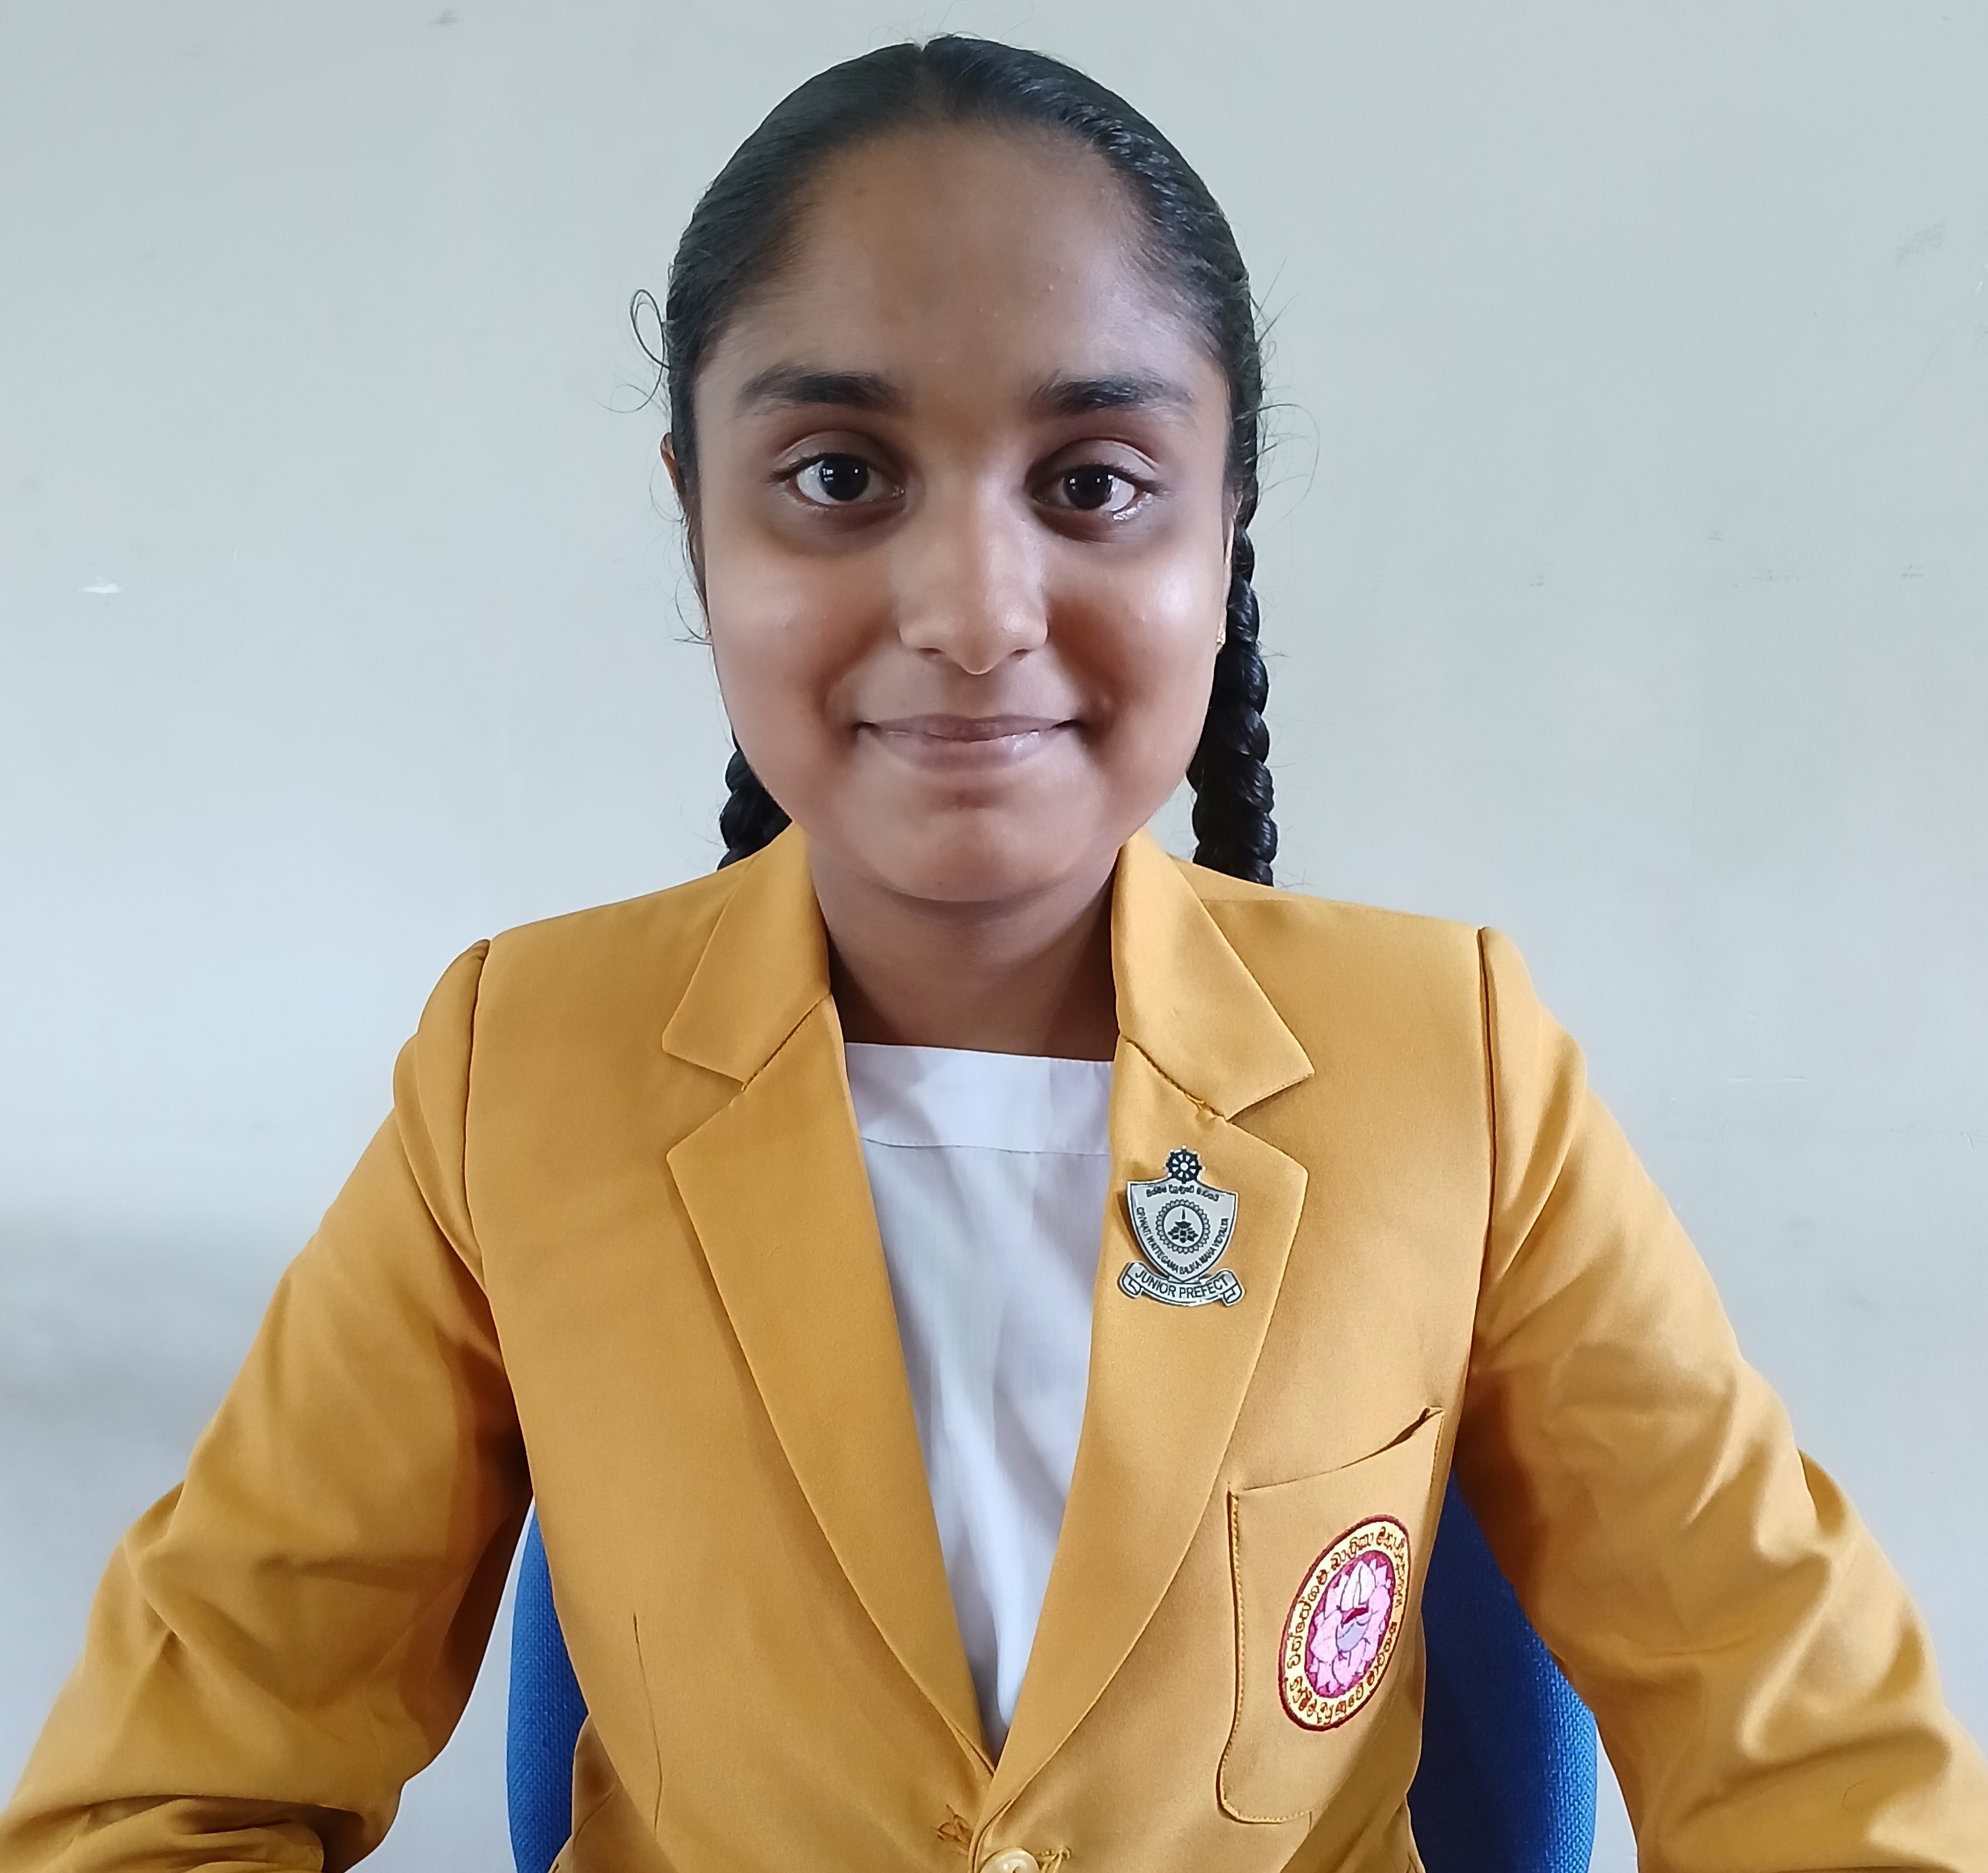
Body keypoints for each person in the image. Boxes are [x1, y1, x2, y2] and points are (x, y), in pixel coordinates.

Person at [4, 35, 1984, 1873]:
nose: (971, 610)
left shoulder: (1449, 1066)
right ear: (696, 518)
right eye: (839, 476)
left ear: (1227, 522)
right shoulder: (517, 1070)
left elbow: (1819, 1764)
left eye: (1093, 483)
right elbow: (167, 1789)